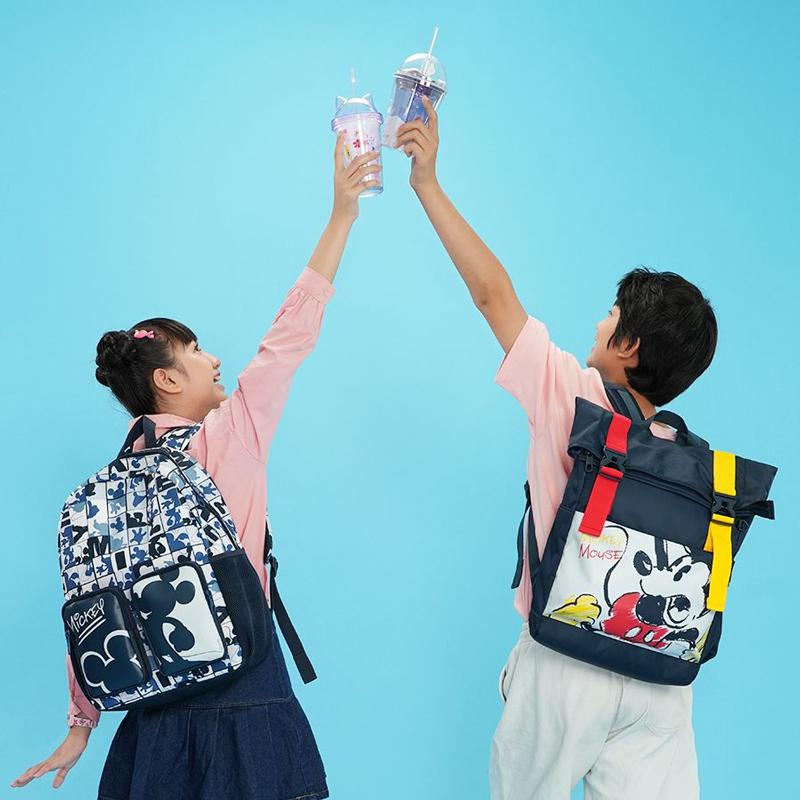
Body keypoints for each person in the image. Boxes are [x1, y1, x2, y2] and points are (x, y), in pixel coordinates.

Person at [11, 136, 381, 800]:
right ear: (168, 379)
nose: (215, 359)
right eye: (198, 350)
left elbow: (93, 604)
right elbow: (289, 336)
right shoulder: (230, 436)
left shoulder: (104, 492)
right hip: (245, 694)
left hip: (154, 720)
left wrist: (80, 724)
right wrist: (342, 215)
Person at [398, 96, 717, 799]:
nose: (598, 323)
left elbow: (492, 294)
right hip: (660, 679)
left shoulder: (571, 394)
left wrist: (427, 183)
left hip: (564, 662)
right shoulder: (685, 456)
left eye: (610, 315)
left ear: (628, 346)